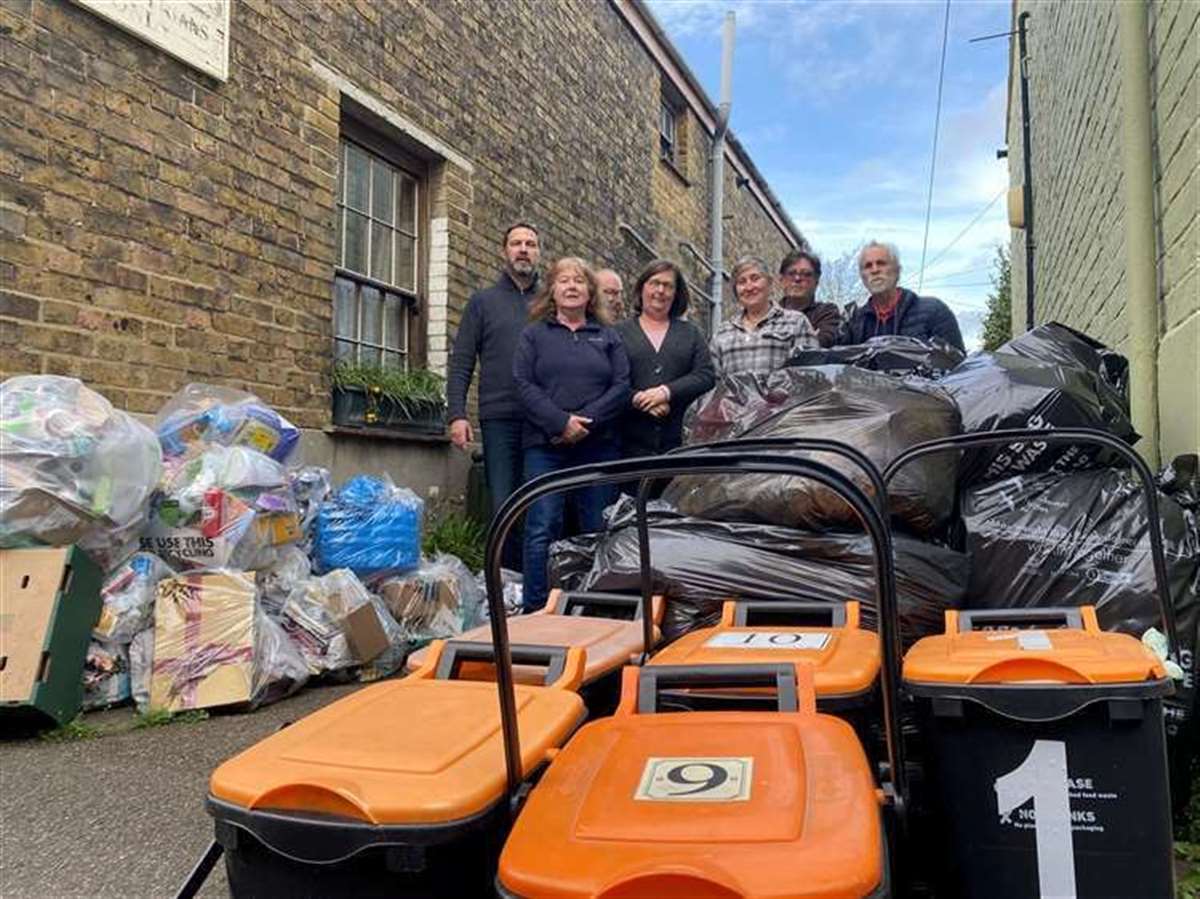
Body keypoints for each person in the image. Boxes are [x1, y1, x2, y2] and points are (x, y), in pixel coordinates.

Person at [512, 257, 631, 611]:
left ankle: (593, 607)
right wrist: (561, 422)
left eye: (580, 281)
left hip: (597, 447)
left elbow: (622, 386)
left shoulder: (608, 336)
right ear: (553, 290)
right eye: (564, 280)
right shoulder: (533, 334)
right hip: (545, 447)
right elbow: (522, 384)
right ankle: (536, 609)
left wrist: (585, 423)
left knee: (597, 528)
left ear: (590, 292)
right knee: (541, 526)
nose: (572, 286)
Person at [445, 223, 541, 565]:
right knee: (504, 504)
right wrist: (457, 414)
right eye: (517, 243)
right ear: (505, 251)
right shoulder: (483, 302)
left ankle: (538, 587)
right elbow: (461, 362)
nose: (523, 249)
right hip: (499, 417)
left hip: (544, 421)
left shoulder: (549, 303)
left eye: (530, 243)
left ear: (538, 252)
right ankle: (506, 585)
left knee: (540, 506)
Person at [616, 260, 714, 466]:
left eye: (668, 285)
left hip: (679, 447)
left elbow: (705, 375)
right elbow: (608, 380)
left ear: (676, 293)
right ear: (642, 288)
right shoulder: (618, 333)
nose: (660, 290)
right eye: (654, 283)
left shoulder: (691, 333)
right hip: (628, 448)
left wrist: (666, 392)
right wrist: (640, 399)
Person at [841, 241, 965, 351]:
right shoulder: (854, 323)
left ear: (898, 270)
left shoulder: (934, 311)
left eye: (881, 263)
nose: (875, 270)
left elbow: (958, 367)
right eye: (868, 266)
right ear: (862, 276)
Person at [710, 255, 819, 378]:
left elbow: (811, 374)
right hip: (734, 398)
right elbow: (715, 384)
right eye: (742, 282)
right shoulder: (722, 333)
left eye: (755, 278)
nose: (749, 287)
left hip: (785, 397)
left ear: (769, 283)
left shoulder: (796, 323)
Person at [778, 249, 842, 348]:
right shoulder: (767, 314)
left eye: (806, 274)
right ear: (781, 280)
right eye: (791, 273)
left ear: (816, 282)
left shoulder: (827, 313)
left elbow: (818, 346)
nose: (797, 279)